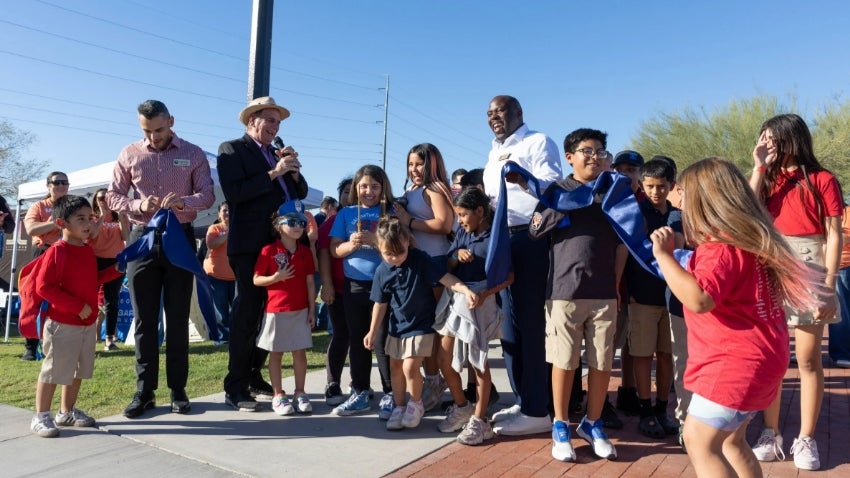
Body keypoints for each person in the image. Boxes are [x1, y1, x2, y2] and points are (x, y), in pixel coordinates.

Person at [652, 156, 822, 478]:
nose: (679, 202)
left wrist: (664, 257)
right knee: (732, 440)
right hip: (760, 359)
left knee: (699, 441)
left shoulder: (720, 246)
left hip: (733, 363)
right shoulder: (749, 241)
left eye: (684, 194)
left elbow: (700, 299)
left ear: (706, 199)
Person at [107, 99, 215, 418]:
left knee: (178, 317)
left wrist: (183, 201)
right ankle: (144, 391)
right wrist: (138, 206)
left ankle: (178, 390)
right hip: (142, 238)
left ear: (171, 121)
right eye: (147, 131)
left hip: (179, 236)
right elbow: (112, 194)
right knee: (144, 319)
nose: (153, 137)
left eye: (158, 129)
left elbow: (207, 194)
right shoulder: (129, 153)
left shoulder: (193, 153)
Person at [749, 113, 843, 471]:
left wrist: (829, 285)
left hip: (810, 265)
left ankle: (806, 438)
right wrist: (758, 167)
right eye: (763, 137)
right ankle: (769, 433)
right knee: (772, 356)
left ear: (791, 139)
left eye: (772, 139)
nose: (766, 144)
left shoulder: (822, 179)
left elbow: (834, 234)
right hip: (771, 262)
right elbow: (743, 209)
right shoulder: (767, 179)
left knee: (806, 359)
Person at [527, 128, 619, 461]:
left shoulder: (612, 191)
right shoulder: (557, 191)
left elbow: (626, 238)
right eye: (586, 151)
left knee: (601, 362)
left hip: (605, 291)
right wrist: (564, 205)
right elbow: (535, 229)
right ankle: (562, 424)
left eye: (600, 151)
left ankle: (593, 423)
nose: (594, 157)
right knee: (565, 362)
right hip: (565, 290)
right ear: (570, 157)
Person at [217, 96, 309, 412]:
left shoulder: (275, 154)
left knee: (272, 315)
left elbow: (300, 193)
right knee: (247, 312)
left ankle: (254, 373)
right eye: (269, 120)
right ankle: (235, 385)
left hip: (280, 245)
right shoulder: (232, 149)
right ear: (252, 121)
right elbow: (236, 193)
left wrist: (291, 171)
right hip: (249, 246)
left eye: (278, 122)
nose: (274, 126)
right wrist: (273, 172)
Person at [482, 95, 561, 436]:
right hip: (501, 238)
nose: (493, 117)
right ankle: (523, 397)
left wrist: (522, 179)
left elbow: (553, 189)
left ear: (518, 113)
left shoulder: (538, 141)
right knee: (508, 326)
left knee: (529, 322)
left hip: (528, 238)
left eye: (499, 111)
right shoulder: (493, 150)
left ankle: (538, 409)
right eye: (489, 113)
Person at [364, 216, 479, 431]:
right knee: (395, 368)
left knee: (410, 366)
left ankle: (415, 403)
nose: (396, 258)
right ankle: (399, 407)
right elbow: (379, 303)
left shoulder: (420, 260)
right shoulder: (382, 271)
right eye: (389, 254)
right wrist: (372, 331)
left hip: (421, 325)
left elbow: (445, 278)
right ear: (379, 248)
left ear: (408, 241)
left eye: (400, 252)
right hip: (396, 327)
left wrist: (464, 289)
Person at [30, 195, 121, 437]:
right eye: (80, 219)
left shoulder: (87, 251)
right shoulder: (56, 252)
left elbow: (93, 280)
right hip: (62, 325)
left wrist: (114, 270)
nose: (88, 223)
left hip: (86, 325)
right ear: (61, 223)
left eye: (90, 218)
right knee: (54, 371)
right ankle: (40, 416)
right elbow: (44, 287)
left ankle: (66, 412)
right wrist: (76, 307)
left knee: (78, 371)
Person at [436, 187, 511, 445]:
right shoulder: (462, 232)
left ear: (480, 211)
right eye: (457, 215)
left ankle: (480, 422)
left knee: (479, 362)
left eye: (463, 215)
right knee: (443, 357)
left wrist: (485, 293)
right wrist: (456, 256)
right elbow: (448, 264)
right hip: (457, 299)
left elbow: (510, 276)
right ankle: (461, 407)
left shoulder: (497, 238)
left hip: (482, 303)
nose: (460, 221)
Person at [618, 159, 683, 439]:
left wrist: (665, 238)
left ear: (671, 186)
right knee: (642, 355)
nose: (656, 191)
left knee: (667, 355)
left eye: (662, 186)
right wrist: (616, 286)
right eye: (650, 186)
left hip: (671, 296)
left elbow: (678, 244)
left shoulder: (677, 215)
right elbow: (624, 249)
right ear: (642, 186)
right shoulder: (634, 211)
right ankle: (645, 410)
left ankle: (662, 408)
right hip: (641, 296)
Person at [393, 143, 456, 414]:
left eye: (419, 164)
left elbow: (444, 223)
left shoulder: (435, 189)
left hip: (435, 264)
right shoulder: (413, 190)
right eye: (410, 164)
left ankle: (433, 384)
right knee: (424, 327)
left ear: (433, 164)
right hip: (416, 265)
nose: (414, 169)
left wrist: (409, 222)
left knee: (433, 329)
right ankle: (429, 385)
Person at [329, 164, 395, 415]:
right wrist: (351, 245)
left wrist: (376, 242)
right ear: (356, 187)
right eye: (364, 186)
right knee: (358, 340)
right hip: (354, 286)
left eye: (375, 186)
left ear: (383, 188)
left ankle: (390, 393)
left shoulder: (390, 211)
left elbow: (400, 247)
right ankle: (360, 391)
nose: (369, 191)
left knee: (382, 340)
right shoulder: (346, 214)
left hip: (385, 285)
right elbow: (335, 250)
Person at [253, 202, 316, 416]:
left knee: (300, 352)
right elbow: (256, 280)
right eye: (292, 222)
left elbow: (310, 282)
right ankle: (278, 394)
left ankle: (300, 392)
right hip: (276, 311)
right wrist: (275, 278)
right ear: (279, 225)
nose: (298, 226)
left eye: (302, 222)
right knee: (276, 354)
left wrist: (312, 309)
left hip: (300, 310)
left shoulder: (306, 252)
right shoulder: (268, 251)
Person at [21, 171, 70, 361]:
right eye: (56, 182)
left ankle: (60, 343)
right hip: (44, 253)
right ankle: (30, 347)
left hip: (67, 254)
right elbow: (31, 229)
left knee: (64, 298)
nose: (61, 185)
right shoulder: (40, 206)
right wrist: (53, 224)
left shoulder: (72, 205)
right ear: (48, 186)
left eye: (64, 182)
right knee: (36, 298)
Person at [611, 150, 644, 418]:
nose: (626, 175)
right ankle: (603, 398)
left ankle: (628, 389)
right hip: (615, 285)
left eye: (632, 170)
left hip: (642, 285)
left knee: (635, 343)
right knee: (611, 341)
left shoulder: (649, 202)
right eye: (621, 169)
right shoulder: (609, 203)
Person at [318, 177, 353, 406]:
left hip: (364, 291)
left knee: (362, 339)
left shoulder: (370, 219)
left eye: (354, 190)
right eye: (346, 191)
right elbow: (323, 254)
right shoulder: (332, 222)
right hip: (337, 290)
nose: (350, 195)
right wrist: (327, 284)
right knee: (341, 335)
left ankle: (359, 383)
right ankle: (333, 383)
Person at [89, 187, 130, 351]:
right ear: (95, 200)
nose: (104, 200)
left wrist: (120, 218)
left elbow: (126, 237)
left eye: (107, 198)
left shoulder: (119, 216)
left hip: (115, 261)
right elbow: (92, 235)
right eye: (100, 198)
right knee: (89, 299)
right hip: (95, 261)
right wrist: (101, 215)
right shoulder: (91, 217)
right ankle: (89, 337)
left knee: (112, 302)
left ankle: (109, 340)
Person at [204, 202, 235, 345]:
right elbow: (211, 244)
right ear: (219, 214)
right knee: (221, 310)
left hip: (235, 276)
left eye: (230, 210)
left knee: (237, 309)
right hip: (216, 277)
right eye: (224, 210)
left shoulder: (241, 228)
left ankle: (236, 337)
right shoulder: (214, 228)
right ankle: (222, 339)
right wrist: (229, 234)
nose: (227, 213)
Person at [829, 205, 850, 368]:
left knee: (840, 311)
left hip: (842, 266)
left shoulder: (847, 212)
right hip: (816, 263)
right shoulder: (818, 211)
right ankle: (807, 349)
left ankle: (841, 353)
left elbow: (844, 237)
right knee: (810, 310)